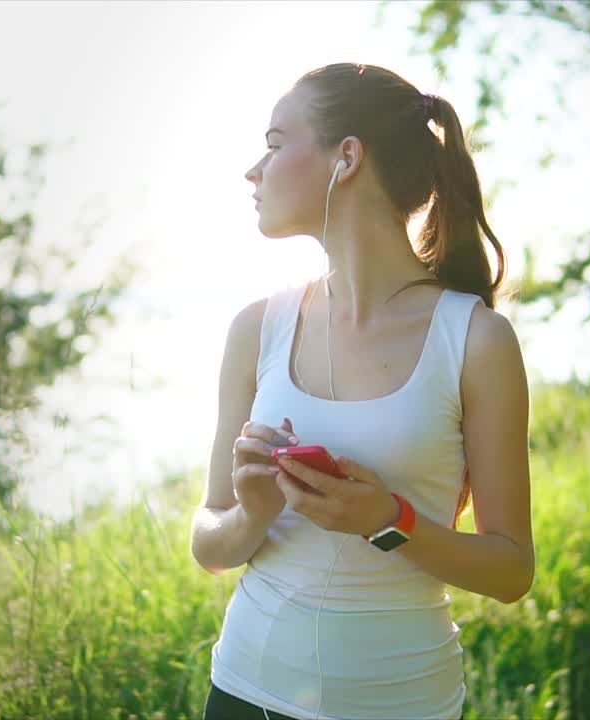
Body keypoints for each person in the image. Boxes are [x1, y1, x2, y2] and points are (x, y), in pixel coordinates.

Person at [189, 63, 535, 720]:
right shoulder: (256, 328)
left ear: (346, 157)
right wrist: (253, 512)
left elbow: (511, 570)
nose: (252, 170)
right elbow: (210, 543)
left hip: (403, 702)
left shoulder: (477, 342)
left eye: (273, 142)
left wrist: (388, 521)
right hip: (243, 692)